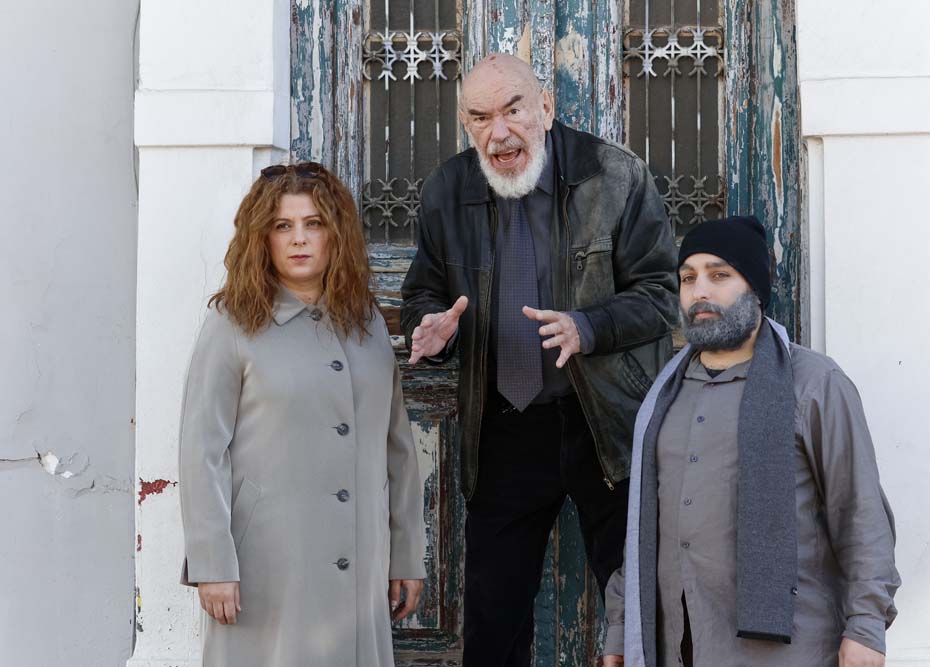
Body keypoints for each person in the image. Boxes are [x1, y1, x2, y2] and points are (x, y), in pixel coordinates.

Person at [401, 53, 678, 666]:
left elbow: (662, 295)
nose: (499, 133)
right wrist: (433, 327)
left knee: (639, 613)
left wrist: (589, 326)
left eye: (513, 110)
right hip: (503, 427)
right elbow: (423, 291)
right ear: (466, 125)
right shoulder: (447, 190)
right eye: (480, 118)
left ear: (546, 107)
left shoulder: (615, 176)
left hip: (606, 423)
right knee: (493, 625)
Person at [603, 216, 901, 667]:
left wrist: (866, 627)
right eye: (688, 278)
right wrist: (621, 629)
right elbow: (644, 527)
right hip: (677, 646)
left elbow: (860, 513)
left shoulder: (814, 384)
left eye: (719, 275)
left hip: (790, 650)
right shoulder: (664, 395)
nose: (700, 291)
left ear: (755, 289)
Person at [178, 162, 427, 667]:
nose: (299, 239)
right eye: (282, 225)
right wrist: (212, 563)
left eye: (314, 224)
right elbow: (201, 449)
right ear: (261, 237)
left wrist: (406, 554)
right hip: (266, 565)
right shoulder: (231, 324)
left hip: (360, 560)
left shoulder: (367, 324)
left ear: (336, 234)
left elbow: (396, 447)